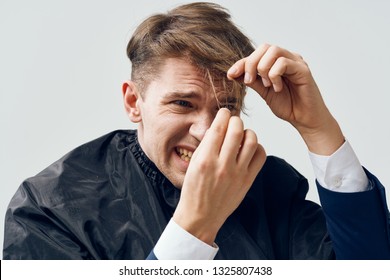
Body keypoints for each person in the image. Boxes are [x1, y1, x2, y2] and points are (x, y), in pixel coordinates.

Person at [3, 2, 390, 260]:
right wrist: (197, 225)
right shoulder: (48, 210)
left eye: (226, 107)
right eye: (183, 104)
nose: (206, 132)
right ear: (133, 102)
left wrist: (317, 126)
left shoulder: (269, 188)